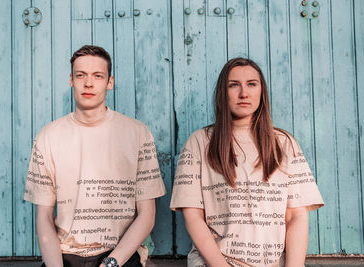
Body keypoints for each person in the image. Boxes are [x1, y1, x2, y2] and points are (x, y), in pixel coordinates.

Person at [170, 57, 324, 267]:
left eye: (252, 84)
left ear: (262, 91)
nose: (244, 93)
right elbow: (193, 216)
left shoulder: (284, 144)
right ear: (222, 93)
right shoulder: (200, 142)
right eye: (234, 85)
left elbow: (296, 216)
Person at [24, 45, 166, 267]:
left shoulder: (137, 133)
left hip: (118, 255)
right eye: (80, 75)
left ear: (110, 82)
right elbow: (43, 217)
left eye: (98, 76)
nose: (88, 83)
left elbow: (147, 216)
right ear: (71, 80)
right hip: (65, 255)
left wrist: (112, 263)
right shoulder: (48, 137)